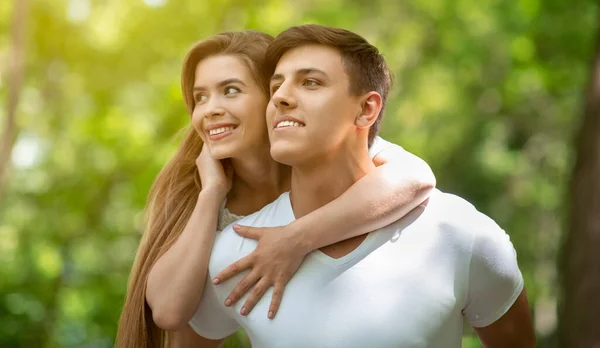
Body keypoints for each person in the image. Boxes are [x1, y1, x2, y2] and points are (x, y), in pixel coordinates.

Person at [188, 25, 536, 347]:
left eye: (310, 83)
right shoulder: (236, 253)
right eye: (276, 85)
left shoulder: (460, 234)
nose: (280, 97)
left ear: (366, 109)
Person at [115, 30, 436, 348]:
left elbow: (415, 177)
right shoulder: (194, 184)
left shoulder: (320, 148)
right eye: (200, 97)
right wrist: (211, 193)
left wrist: (295, 239)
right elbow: (169, 313)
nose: (209, 109)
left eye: (230, 90)